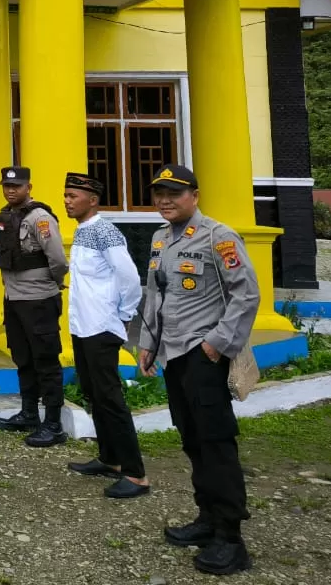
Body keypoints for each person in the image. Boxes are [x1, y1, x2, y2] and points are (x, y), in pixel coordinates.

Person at [139, 164, 259, 576]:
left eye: (174, 193)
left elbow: (246, 295)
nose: (165, 200)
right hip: (172, 354)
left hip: (202, 354)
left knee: (215, 442)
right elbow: (156, 295)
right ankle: (207, 518)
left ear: (195, 195)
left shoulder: (219, 237)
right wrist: (147, 343)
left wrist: (216, 344)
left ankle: (230, 538)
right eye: (159, 193)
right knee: (192, 438)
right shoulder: (159, 239)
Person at [62, 172, 148, 499]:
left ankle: (135, 473)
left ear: (92, 200)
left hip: (101, 328)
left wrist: (124, 316)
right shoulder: (83, 231)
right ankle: (110, 459)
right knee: (94, 394)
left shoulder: (105, 232)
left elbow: (128, 277)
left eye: (73, 196)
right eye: (66, 195)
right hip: (83, 326)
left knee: (111, 400)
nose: (68, 201)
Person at [0, 166, 69, 447]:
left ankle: (53, 423)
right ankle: (28, 413)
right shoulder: (8, 216)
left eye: (17, 186)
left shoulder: (40, 218)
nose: (11, 190)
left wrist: (53, 283)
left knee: (46, 360)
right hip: (13, 298)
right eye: (7, 186)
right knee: (22, 356)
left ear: (29, 187)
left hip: (38, 300)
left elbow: (58, 259)